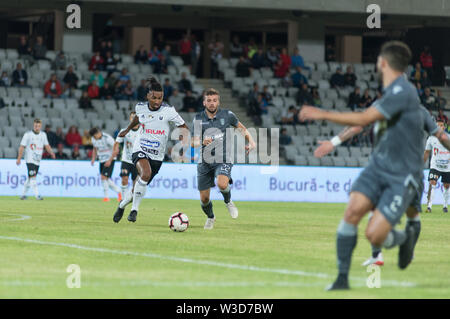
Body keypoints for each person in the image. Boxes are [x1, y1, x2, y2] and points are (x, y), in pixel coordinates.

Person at [299, 41, 450, 290]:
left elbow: (364, 118)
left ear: (383, 62)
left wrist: (322, 113)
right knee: (351, 213)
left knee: (374, 234)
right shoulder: (390, 96)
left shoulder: (405, 91)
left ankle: (405, 237)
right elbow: (362, 124)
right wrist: (333, 142)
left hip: (402, 175)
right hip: (377, 168)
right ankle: (342, 280)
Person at [113, 77, 189, 223]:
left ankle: (122, 205)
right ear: (148, 95)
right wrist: (127, 129)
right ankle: (134, 210)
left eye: (160, 98)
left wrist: (183, 140)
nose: (157, 101)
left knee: (138, 187)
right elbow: (137, 118)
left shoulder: (169, 111)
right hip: (140, 148)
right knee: (145, 174)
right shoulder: (140, 107)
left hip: (157, 156)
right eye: (154, 98)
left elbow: (183, 127)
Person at [191, 88, 256, 229]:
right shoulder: (198, 118)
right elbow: (192, 142)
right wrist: (201, 141)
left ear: (218, 102)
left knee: (222, 183)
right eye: (209, 101)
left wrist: (251, 142)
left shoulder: (228, 115)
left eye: (214, 100)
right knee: (204, 199)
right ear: (204, 103)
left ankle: (228, 201)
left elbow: (242, 128)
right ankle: (211, 217)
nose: (212, 103)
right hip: (204, 162)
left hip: (223, 158)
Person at [17, 119, 56, 200]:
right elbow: (22, 147)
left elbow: (47, 146)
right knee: (33, 177)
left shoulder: (43, 135)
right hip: (29, 159)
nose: (36, 127)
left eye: (38, 126)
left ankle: (23, 195)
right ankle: (37, 195)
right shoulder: (27, 135)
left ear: (40, 126)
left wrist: (52, 153)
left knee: (30, 177)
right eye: (35, 126)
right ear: (33, 125)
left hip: (37, 160)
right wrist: (19, 158)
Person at [111, 111, 140, 205]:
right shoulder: (125, 130)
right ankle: (123, 199)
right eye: (132, 117)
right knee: (124, 178)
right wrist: (115, 150)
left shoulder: (143, 131)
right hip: (126, 160)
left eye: (135, 117)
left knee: (135, 183)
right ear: (130, 119)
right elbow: (117, 142)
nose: (133, 119)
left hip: (138, 161)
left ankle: (132, 199)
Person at [89, 127, 122, 202]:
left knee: (103, 177)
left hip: (110, 159)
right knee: (105, 178)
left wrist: (110, 160)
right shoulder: (93, 139)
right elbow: (95, 148)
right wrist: (93, 158)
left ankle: (106, 197)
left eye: (95, 135)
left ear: (98, 133)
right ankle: (119, 192)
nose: (94, 138)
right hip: (101, 160)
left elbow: (116, 148)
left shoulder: (107, 138)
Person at [424, 119, 450, 213]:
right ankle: (429, 206)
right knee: (432, 182)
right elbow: (427, 152)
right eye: (437, 125)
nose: (439, 127)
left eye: (441, 125)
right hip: (435, 166)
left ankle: (445, 205)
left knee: (447, 186)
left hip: (447, 167)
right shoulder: (431, 139)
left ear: (444, 127)